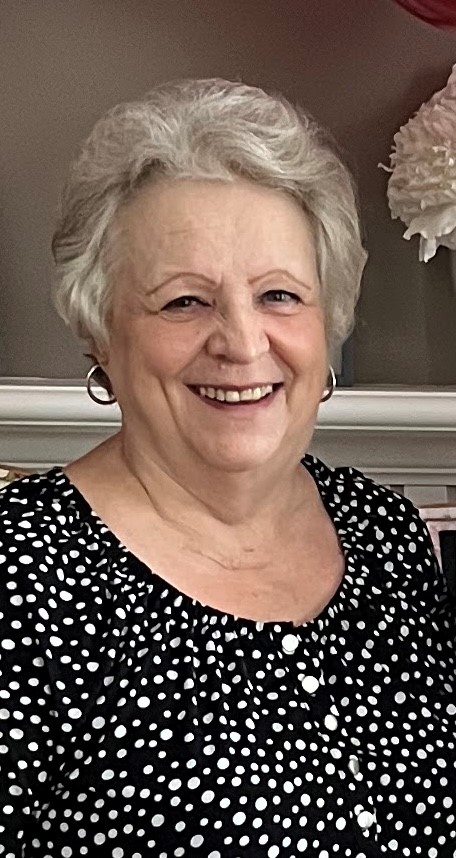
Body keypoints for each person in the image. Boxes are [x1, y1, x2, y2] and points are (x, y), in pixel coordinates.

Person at [0, 78, 454, 858]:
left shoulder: (387, 534)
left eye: (280, 295)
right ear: (101, 333)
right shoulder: (20, 575)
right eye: (184, 302)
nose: (243, 344)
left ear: (327, 320)